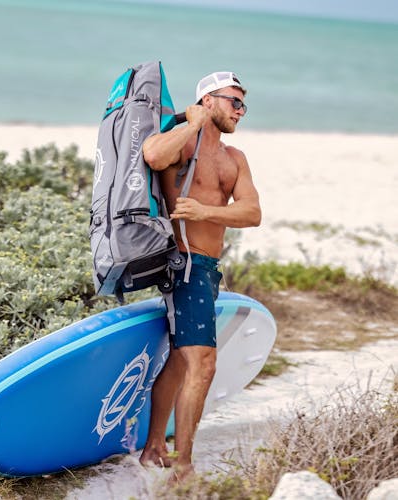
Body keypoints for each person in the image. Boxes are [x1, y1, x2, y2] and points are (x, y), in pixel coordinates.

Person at [139, 71, 261, 480]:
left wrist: (206, 211)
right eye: (234, 102)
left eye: (243, 104)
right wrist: (190, 123)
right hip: (185, 262)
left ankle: (154, 447)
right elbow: (153, 156)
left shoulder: (234, 159)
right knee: (203, 364)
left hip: (208, 268)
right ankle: (183, 464)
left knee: (180, 360)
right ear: (208, 101)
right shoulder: (184, 142)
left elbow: (252, 213)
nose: (240, 112)